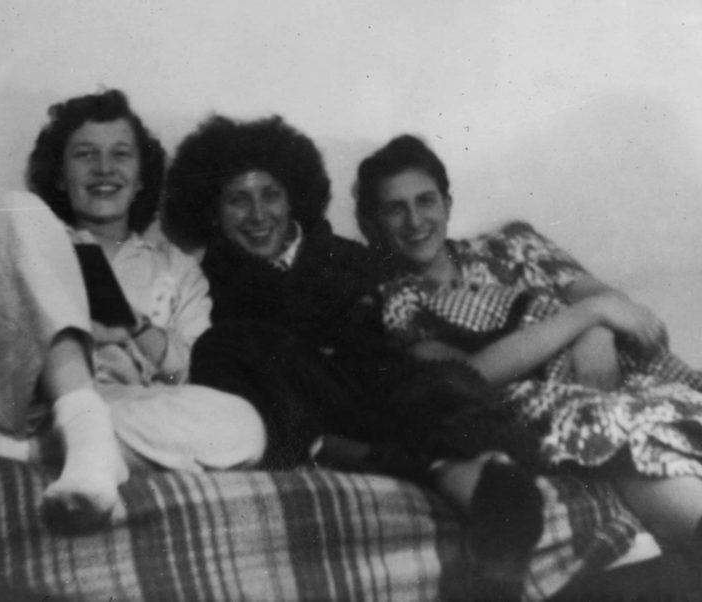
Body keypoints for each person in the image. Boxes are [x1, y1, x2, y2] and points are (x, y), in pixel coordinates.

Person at [353, 133, 702, 588]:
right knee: (617, 418)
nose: (415, 220)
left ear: (447, 201)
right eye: (395, 209)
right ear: (375, 222)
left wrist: (598, 325)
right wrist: (586, 319)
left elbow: (624, 310)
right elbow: (471, 375)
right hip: (524, 402)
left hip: (620, 374)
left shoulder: (512, 243)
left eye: (425, 201)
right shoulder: (397, 297)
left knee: (676, 403)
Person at [164, 115, 545, 571]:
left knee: (440, 379)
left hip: (381, 396)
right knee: (229, 345)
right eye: (238, 201)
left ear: (294, 199)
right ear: (212, 210)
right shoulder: (205, 285)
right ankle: (438, 472)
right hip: (300, 409)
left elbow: (409, 334)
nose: (259, 215)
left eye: (271, 194)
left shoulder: (356, 260)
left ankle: (493, 490)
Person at [0, 90, 266, 531]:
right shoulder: (17, 232)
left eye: (121, 155)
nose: (104, 169)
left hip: (118, 404)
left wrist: (135, 328)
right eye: (84, 154)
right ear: (60, 175)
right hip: (10, 400)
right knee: (12, 206)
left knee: (243, 426)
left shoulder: (177, 268)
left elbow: (185, 376)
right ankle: (84, 438)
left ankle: (6, 447)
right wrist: (48, 323)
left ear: (140, 178)